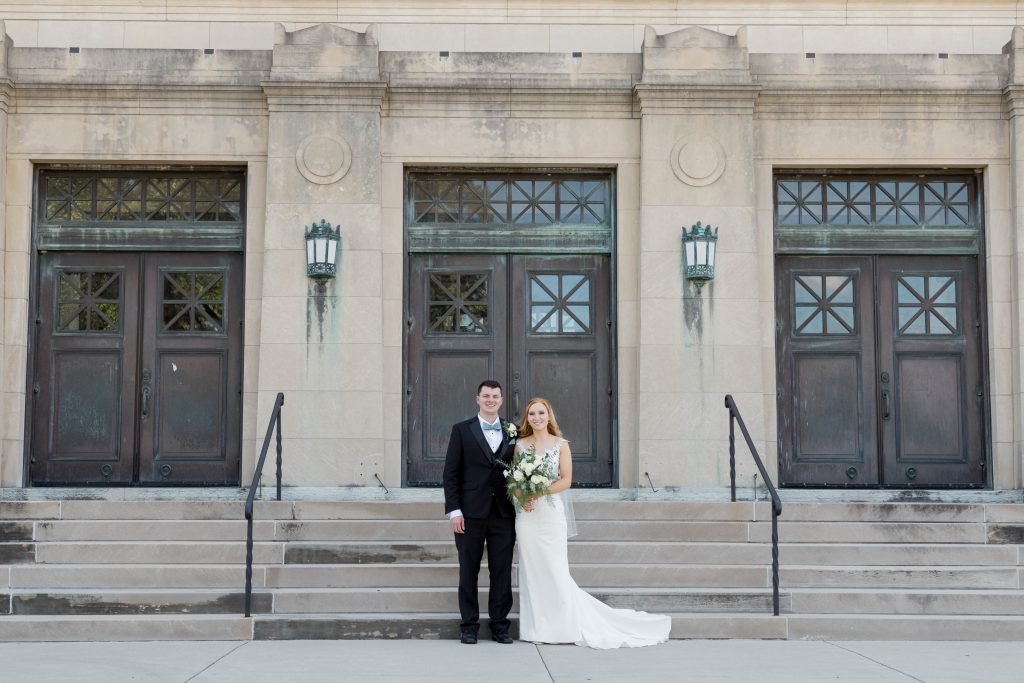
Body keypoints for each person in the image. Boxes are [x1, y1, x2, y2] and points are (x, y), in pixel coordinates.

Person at [514, 397, 672, 649]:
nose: (537, 418)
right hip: (527, 518)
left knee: (555, 570)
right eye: (532, 414)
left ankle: (563, 625)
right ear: (527, 418)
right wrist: (524, 497)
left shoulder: (561, 445)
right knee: (532, 572)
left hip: (550, 517)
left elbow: (566, 480)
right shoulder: (520, 446)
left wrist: (539, 492)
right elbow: (515, 480)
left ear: (549, 415)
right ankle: (537, 627)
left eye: (541, 413)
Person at [442, 379, 517, 645]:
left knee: (502, 571)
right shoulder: (462, 430)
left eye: (495, 396)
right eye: (486, 396)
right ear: (477, 399)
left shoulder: (514, 431)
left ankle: (499, 626)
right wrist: (454, 512)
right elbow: (450, 474)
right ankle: (469, 626)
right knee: (468, 570)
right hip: (469, 513)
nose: (490, 400)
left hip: (503, 514)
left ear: (501, 399)